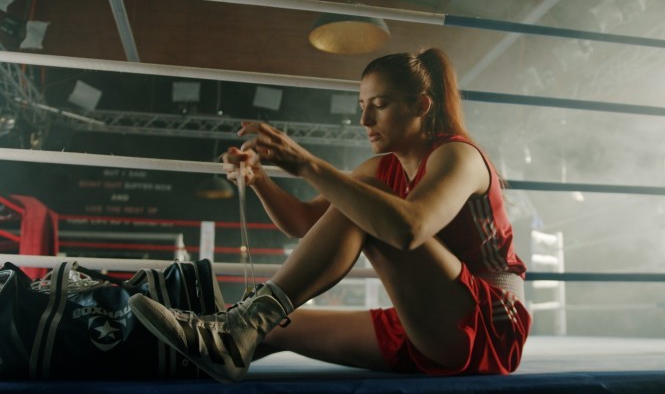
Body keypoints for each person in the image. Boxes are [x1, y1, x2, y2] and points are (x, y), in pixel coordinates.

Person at [129, 47, 531, 383]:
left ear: (421, 105)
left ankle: (241, 325)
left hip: (491, 326)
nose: (364, 121)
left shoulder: (458, 156)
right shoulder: (382, 168)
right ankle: (136, 346)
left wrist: (307, 165)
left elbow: (409, 228)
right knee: (270, 331)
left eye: (380, 105)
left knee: (369, 201)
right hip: (427, 322)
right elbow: (305, 224)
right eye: (362, 106)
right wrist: (259, 181)